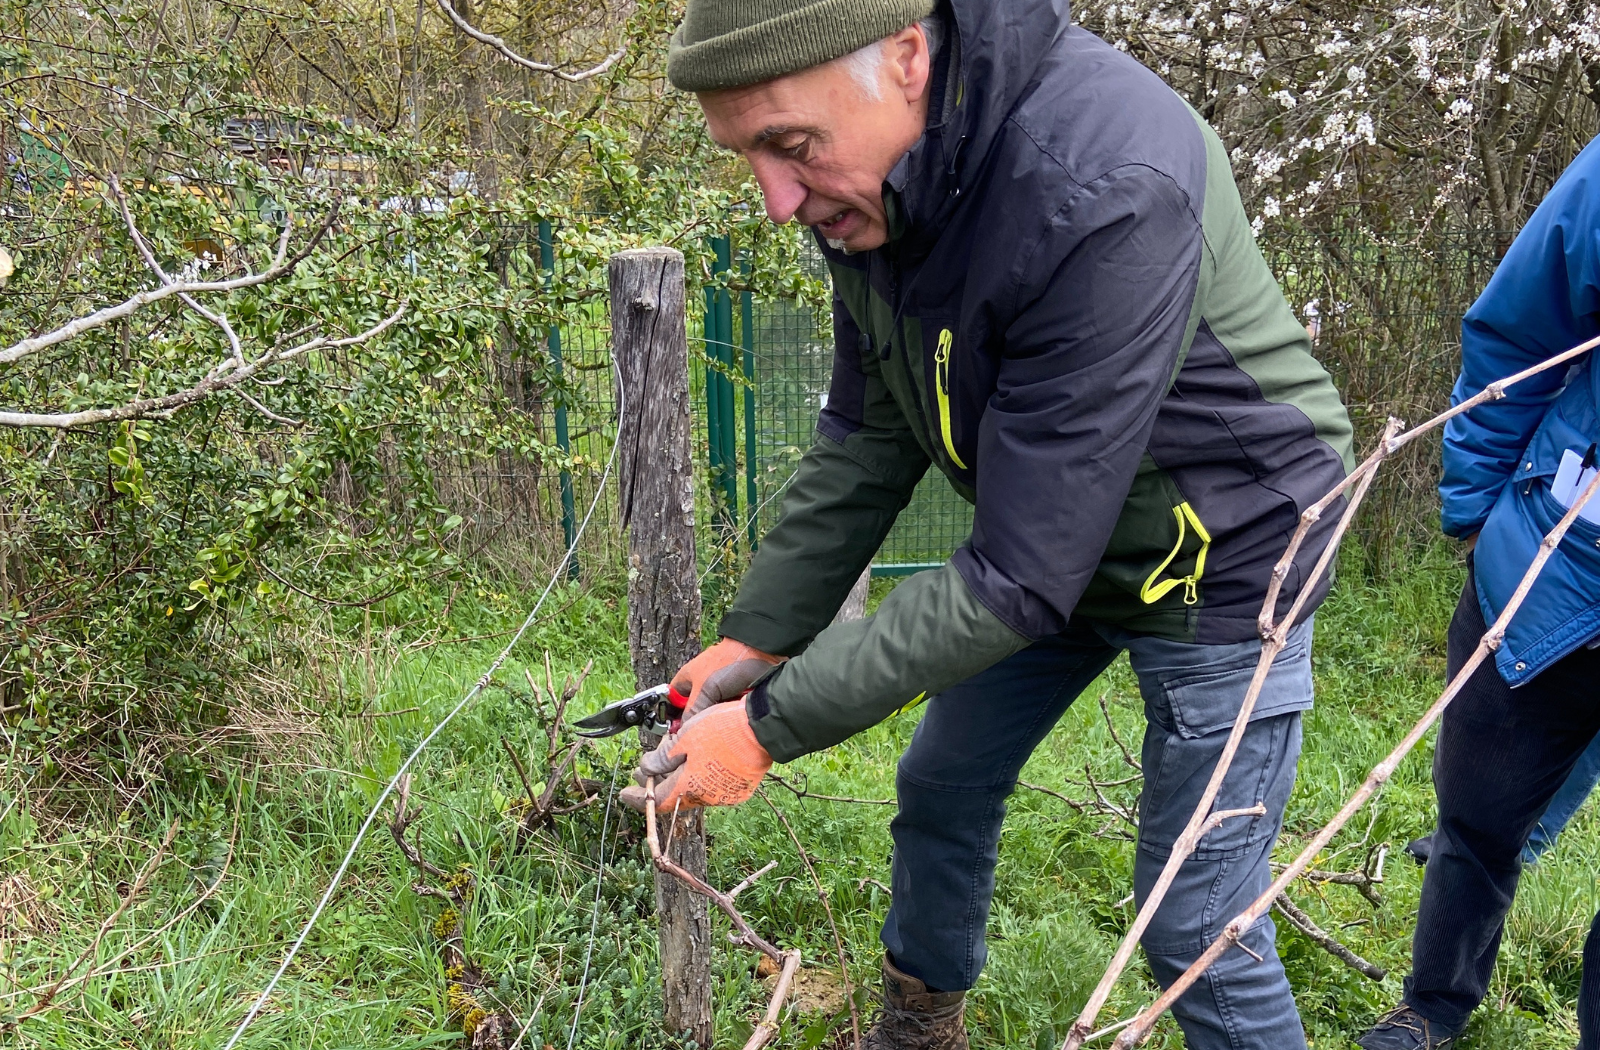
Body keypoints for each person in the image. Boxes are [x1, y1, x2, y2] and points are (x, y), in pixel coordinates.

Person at [619, 2, 1355, 1047]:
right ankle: (920, 1028)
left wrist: (771, 726)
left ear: (908, 59)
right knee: (941, 778)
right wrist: (760, 636)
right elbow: (870, 430)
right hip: (1055, 539)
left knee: (1194, 920)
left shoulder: (1103, 184)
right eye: (747, 158)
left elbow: (1017, 578)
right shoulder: (874, 191)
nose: (776, 200)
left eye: (788, 146)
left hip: (1229, 551)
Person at [1356, 137, 1600, 1050]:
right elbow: (1518, 336)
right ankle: (1430, 1010)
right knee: (1478, 820)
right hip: (1552, 564)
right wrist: (1473, 510)